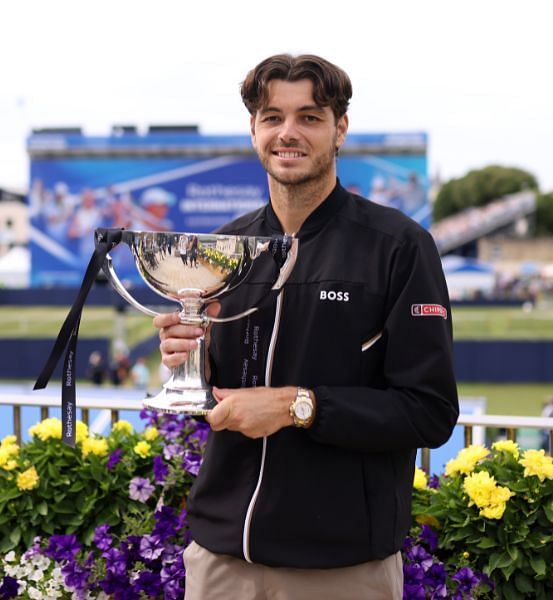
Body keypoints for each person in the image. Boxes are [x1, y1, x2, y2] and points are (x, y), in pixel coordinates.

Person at [153, 54, 458, 598]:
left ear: (340, 129)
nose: (287, 133)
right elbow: (217, 396)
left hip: (339, 568)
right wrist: (185, 355)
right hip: (220, 561)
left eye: (309, 117)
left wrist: (300, 405)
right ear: (253, 130)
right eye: (272, 117)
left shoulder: (399, 246)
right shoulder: (224, 249)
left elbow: (430, 411)